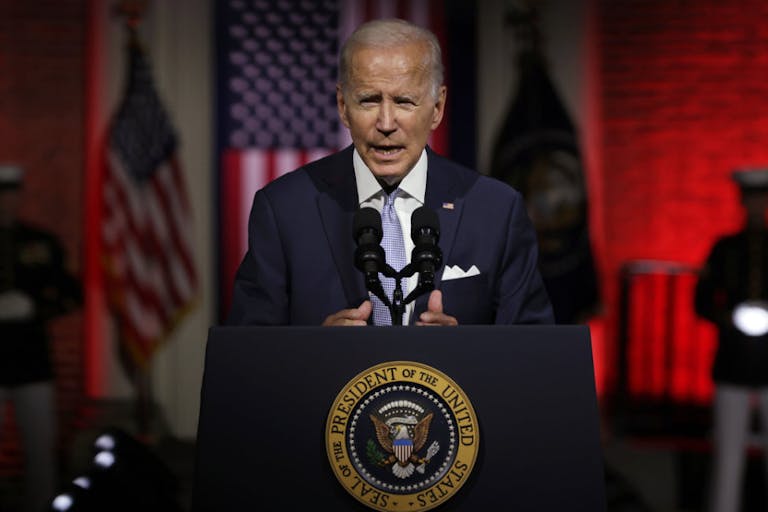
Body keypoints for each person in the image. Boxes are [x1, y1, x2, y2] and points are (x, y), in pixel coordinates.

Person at [227, 18, 553, 327]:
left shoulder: (496, 211)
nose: (385, 124)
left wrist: (464, 354)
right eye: (369, 101)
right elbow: (245, 360)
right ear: (343, 106)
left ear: (437, 108)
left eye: (404, 102)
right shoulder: (284, 209)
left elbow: (535, 356)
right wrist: (314, 352)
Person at [0, 165, 82, 512]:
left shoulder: (42, 242)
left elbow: (70, 292)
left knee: (39, 449)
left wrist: (36, 308)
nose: (7, 202)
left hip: (31, 360)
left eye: (11, 194)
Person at [694, 168, 768, 512]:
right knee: (729, 457)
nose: (756, 204)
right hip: (733, 361)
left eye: (761, 197)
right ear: (742, 200)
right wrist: (730, 318)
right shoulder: (725, 249)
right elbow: (702, 300)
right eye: (751, 197)